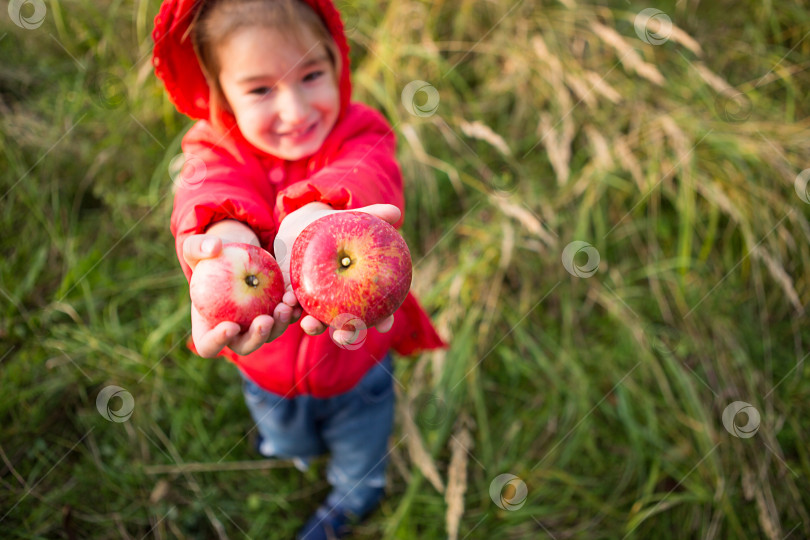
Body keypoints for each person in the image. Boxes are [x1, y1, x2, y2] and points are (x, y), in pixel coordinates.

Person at [151, 0, 446, 538]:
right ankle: (299, 454)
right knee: (285, 436)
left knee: (361, 446)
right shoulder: (213, 148)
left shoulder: (360, 133)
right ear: (221, 93)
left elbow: (366, 172)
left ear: (338, 64)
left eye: (312, 74)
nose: (294, 108)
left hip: (358, 365)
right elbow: (210, 188)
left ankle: (353, 497)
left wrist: (319, 213)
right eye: (261, 90)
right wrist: (223, 239)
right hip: (267, 370)